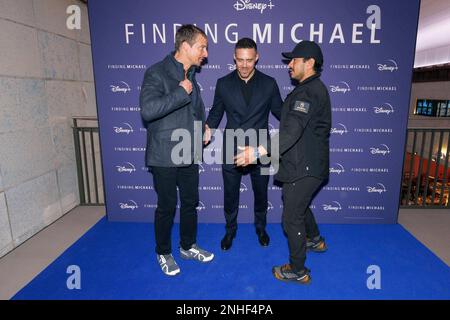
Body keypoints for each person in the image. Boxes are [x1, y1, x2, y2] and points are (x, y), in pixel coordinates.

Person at [140, 24, 214, 276]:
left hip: (188, 150)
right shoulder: (156, 73)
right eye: (201, 47)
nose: (205, 52)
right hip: (164, 154)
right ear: (185, 46)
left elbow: (193, 109)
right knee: (167, 206)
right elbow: (149, 111)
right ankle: (163, 251)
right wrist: (180, 92)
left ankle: (187, 246)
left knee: (191, 202)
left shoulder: (192, 76)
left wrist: (202, 125)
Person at [205, 38, 282, 251]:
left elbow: (281, 113)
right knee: (230, 195)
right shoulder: (223, 83)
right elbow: (216, 113)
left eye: (249, 60)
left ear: (257, 57)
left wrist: (298, 120)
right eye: (240, 60)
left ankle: (261, 228)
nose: (245, 65)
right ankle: (230, 231)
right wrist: (207, 127)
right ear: (234, 58)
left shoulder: (269, 83)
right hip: (232, 148)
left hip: (260, 150)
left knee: (261, 194)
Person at [271, 41, 330, 285]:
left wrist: (260, 151)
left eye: (294, 60)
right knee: (298, 204)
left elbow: (292, 130)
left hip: (304, 167)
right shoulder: (310, 88)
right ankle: (314, 239)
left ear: (310, 63)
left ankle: (298, 270)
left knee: (291, 217)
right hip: (307, 164)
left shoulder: (308, 92)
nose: (289, 65)